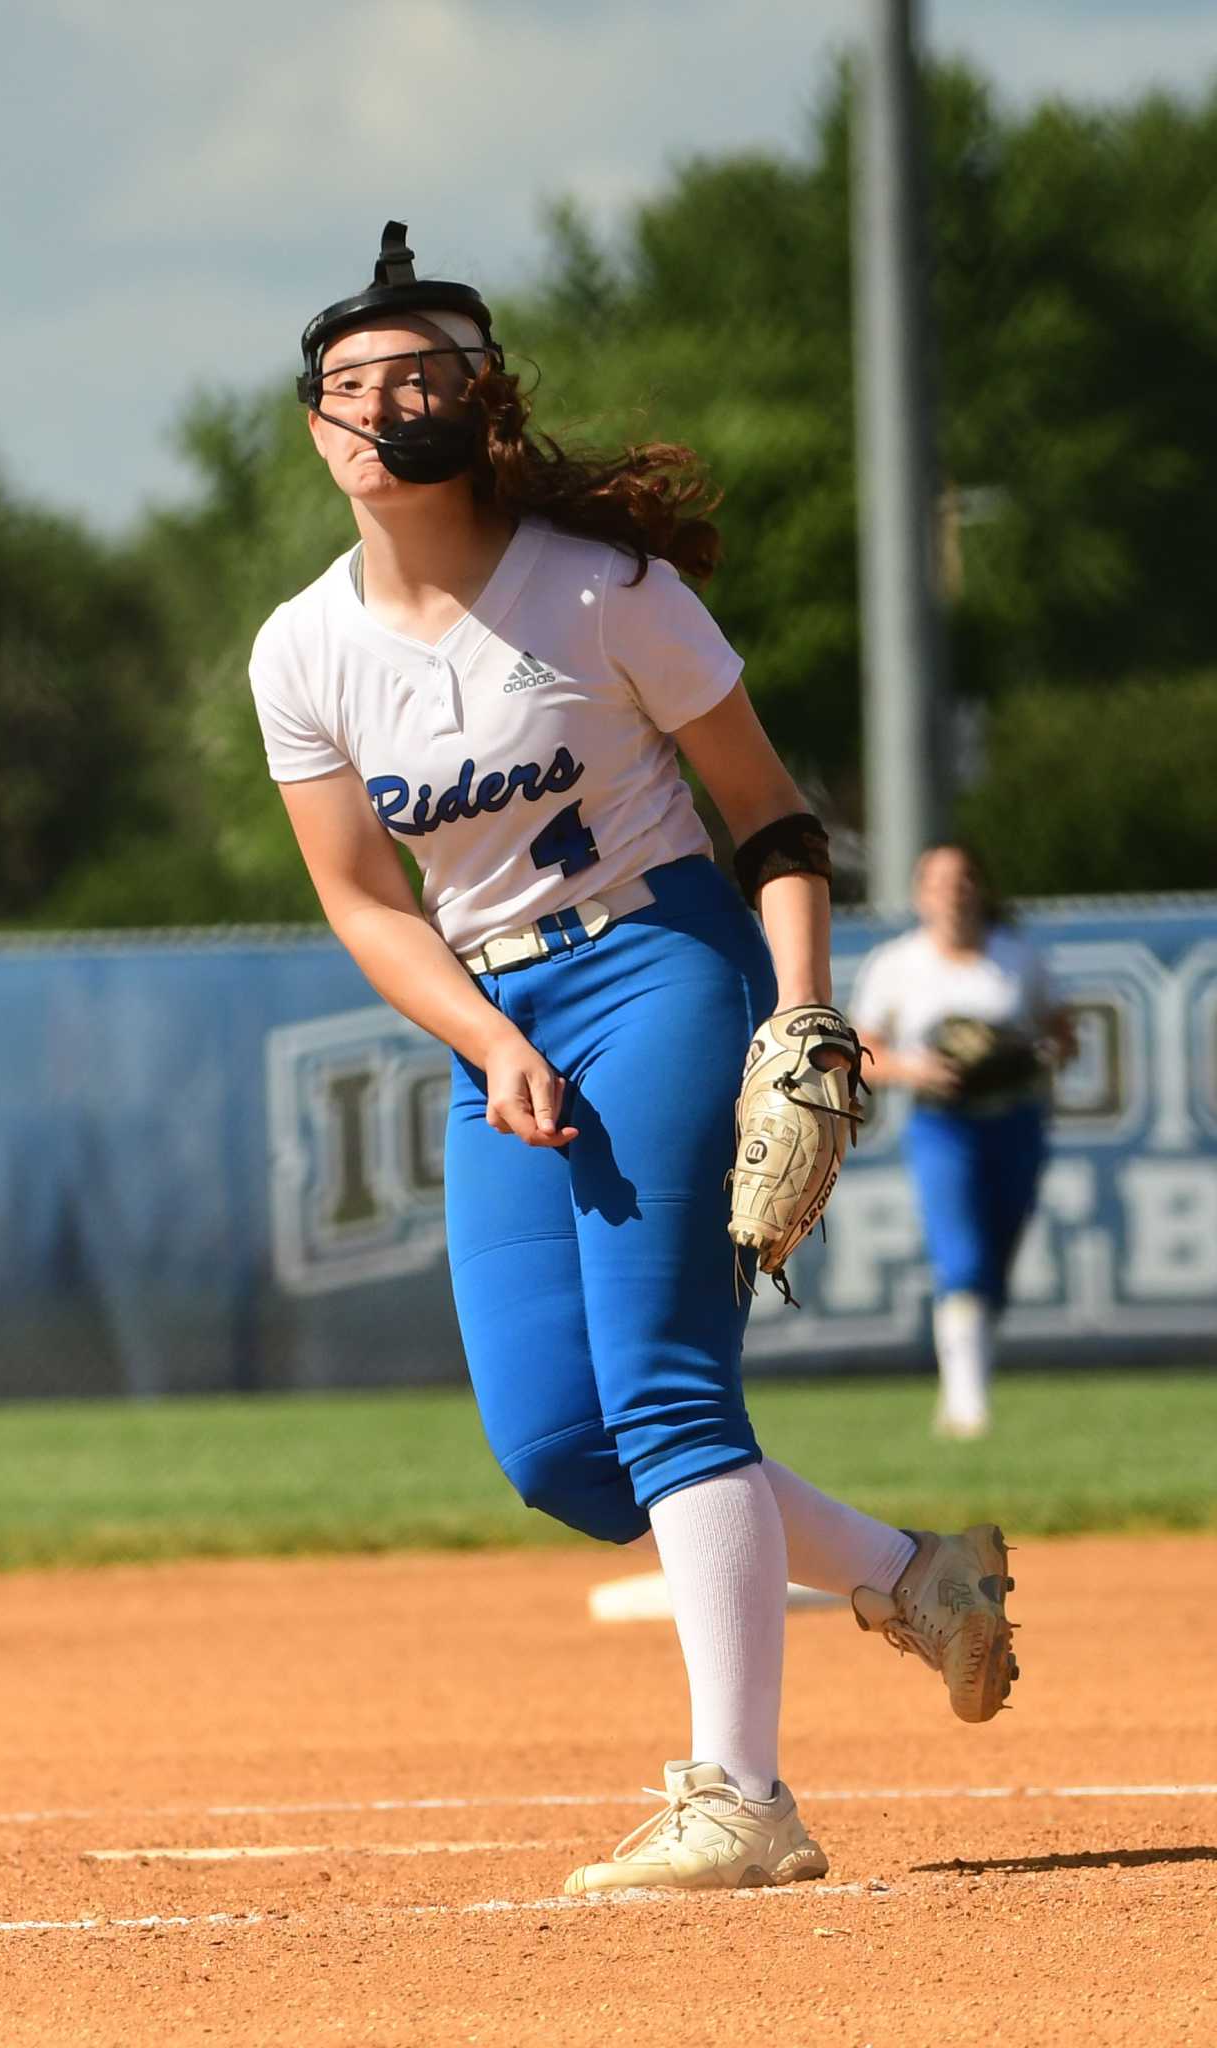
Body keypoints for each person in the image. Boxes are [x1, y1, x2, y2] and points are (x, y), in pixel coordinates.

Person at [248, 222, 1019, 1896]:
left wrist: (802, 1020)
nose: (390, 403)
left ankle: (744, 1795)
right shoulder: (302, 651)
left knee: (669, 1388)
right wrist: (480, 1038)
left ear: (480, 401)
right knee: (564, 1452)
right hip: (495, 1014)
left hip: (663, 960)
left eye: (426, 374)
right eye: (356, 384)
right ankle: (913, 1576)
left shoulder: (599, 588)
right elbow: (368, 906)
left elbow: (774, 816)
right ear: (317, 430)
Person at [853, 843, 1076, 1439]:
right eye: (940, 882)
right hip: (941, 1121)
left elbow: (1062, 1033)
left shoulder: (1015, 957)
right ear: (920, 894)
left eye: (964, 880)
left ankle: (967, 1382)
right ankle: (966, 1406)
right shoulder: (896, 963)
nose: (954, 892)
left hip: (1014, 1119)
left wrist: (1031, 1056)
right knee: (962, 1256)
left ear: (980, 889)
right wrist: (910, 1069)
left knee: (996, 1263)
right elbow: (862, 1052)